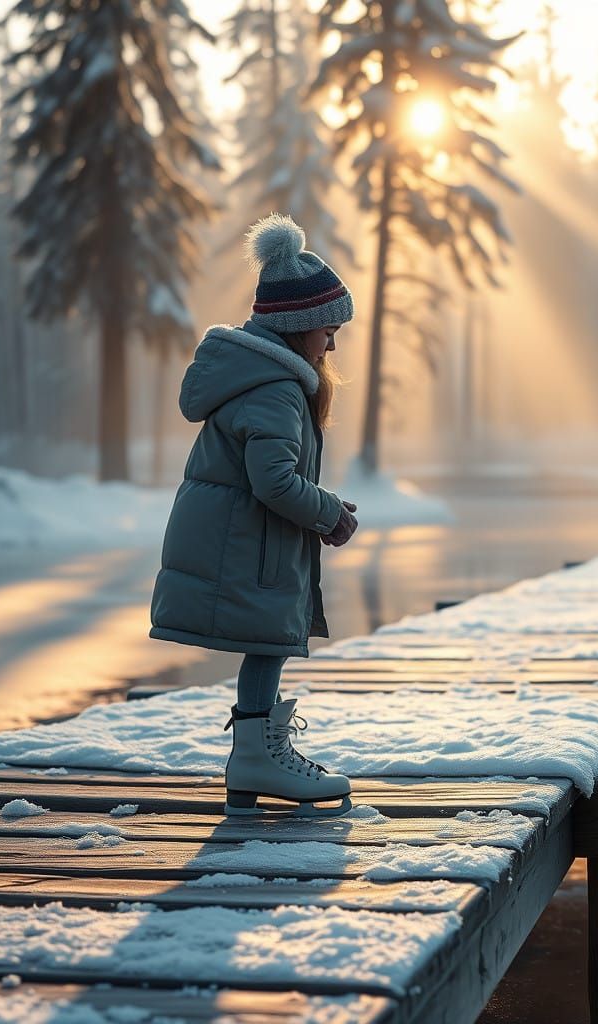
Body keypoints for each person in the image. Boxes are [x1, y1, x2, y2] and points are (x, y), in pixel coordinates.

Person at [149, 213, 358, 817]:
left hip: (245, 537)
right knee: (268, 640)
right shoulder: (275, 387)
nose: (333, 343)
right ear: (297, 328)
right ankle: (256, 756)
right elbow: (274, 482)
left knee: (268, 642)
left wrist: (317, 508)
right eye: (327, 329)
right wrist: (328, 514)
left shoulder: (264, 377)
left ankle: (254, 755)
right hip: (249, 540)